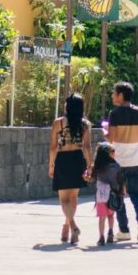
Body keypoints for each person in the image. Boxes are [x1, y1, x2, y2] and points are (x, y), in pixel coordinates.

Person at [107, 81, 138, 243]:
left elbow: (111, 138)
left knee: (118, 194)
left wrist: (104, 132)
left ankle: (124, 230)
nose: (112, 96)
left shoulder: (114, 114)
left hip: (118, 162)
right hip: (136, 161)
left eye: (114, 93)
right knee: (135, 193)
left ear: (121, 95)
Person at [48, 92, 92, 245]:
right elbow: (87, 147)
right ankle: (66, 226)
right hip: (77, 159)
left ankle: (72, 226)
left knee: (63, 199)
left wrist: (51, 164)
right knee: (73, 198)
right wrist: (89, 166)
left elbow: (53, 147)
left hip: (63, 159)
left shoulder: (58, 123)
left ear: (68, 106)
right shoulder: (85, 124)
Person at [91, 143, 121, 246]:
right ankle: (111, 232)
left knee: (102, 218)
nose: (115, 153)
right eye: (113, 152)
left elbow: (92, 177)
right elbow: (120, 180)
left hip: (101, 195)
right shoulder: (116, 166)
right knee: (111, 215)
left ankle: (101, 237)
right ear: (108, 154)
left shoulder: (97, 166)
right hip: (113, 194)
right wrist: (121, 191)